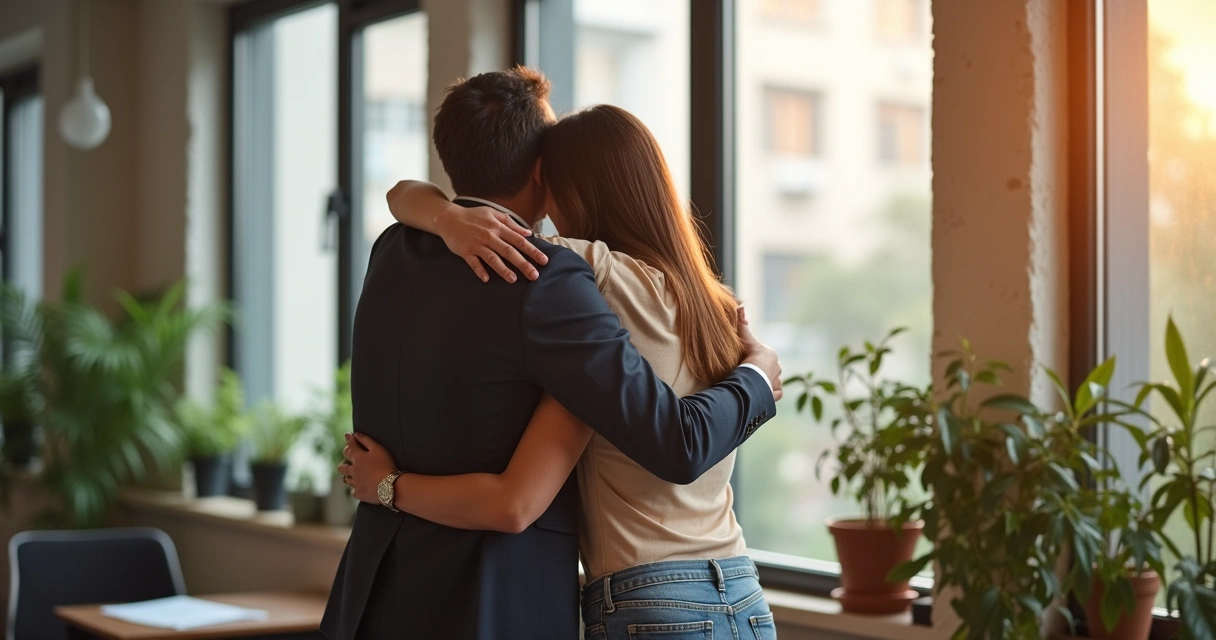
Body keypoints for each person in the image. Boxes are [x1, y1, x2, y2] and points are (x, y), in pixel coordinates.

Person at [320, 67, 781, 640]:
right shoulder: (571, 278)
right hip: (512, 601)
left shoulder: (392, 249)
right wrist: (758, 376)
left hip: (377, 588)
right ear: (541, 171)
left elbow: (399, 195)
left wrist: (442, 215)